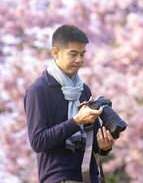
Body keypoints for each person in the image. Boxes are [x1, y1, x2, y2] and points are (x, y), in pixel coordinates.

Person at [24, 24, 114, 183]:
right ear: (55, 52)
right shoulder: (38, 90)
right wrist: (76, 120)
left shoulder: (83, 90)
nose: (79, 60)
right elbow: (38, 141)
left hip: (90, 177)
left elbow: (90, 140)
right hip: (58, 177)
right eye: (73, 54)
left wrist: (104, 146)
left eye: (82, 54)